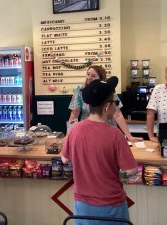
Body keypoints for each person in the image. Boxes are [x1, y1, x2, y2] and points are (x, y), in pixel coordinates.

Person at [61, 76, 138, 225]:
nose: (116, 106)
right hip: (111, 207)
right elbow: (131, 171)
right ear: (107, 107)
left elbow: (65, 159)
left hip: (82, 206)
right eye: (115, 102)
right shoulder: (115, 135)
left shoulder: (75, 130)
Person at [68, 65, 142, 142]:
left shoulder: (107, 89)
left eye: (93, 76)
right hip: (88, 130)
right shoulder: (80, 90)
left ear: (101, 79)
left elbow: (117, 114)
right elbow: (74, 113)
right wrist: (69, 135)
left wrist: (129, 136)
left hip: (108, 131)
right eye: (88, 74)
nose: (89, 77)